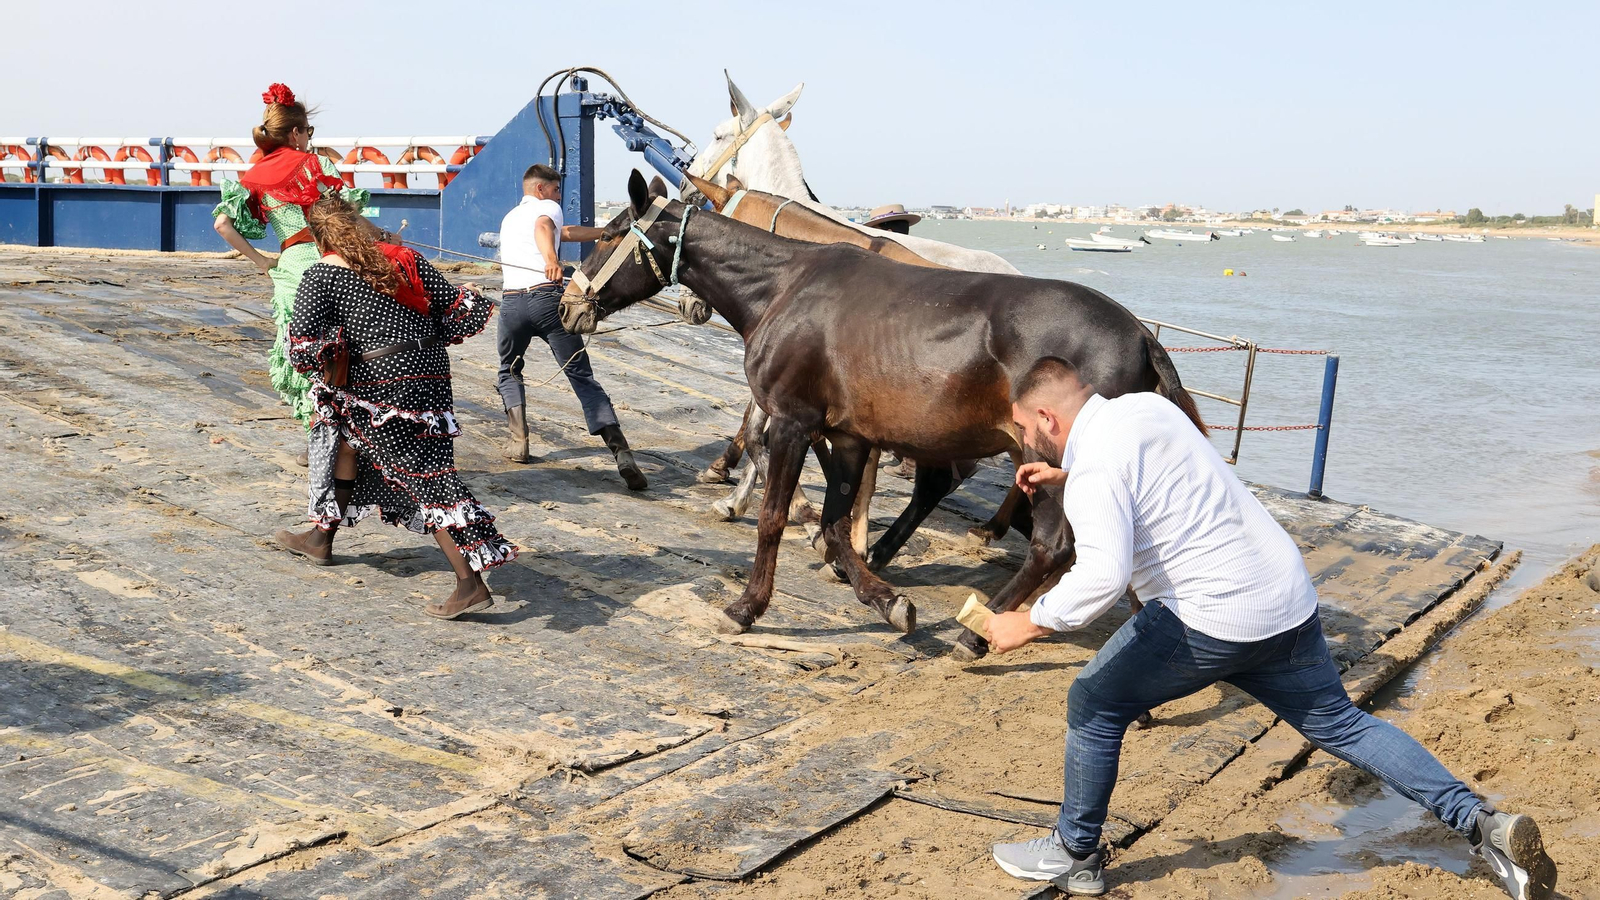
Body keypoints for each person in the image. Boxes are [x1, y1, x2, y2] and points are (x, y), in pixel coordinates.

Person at [986, 357, 1557, 900]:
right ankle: (1482, 822)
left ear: (1048, 418)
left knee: (1093, 704)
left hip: (1207, 617)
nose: (1022, 440)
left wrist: (1030, 622)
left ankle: (1074, 853)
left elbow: (1103, 577)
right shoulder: (1145, 409)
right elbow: (1150, 469)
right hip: (1284, 598)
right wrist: (1069, 474)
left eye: (1022, 427)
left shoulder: (1098, 472)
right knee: (1342, 724)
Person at [276, 195, 518, 620]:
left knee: (425, 479)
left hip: (380, 382)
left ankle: (469, 582)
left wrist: (335, 355)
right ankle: (320, 539)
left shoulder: (321, 275)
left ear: (318, 238)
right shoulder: (403, 258)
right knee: (349, 442)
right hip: (429, 374)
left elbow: (303, 350)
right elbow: (458, 311)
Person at [212, 84, 370, 461]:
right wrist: (379, 237)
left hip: (291, 271)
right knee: (352, 348)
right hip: (331, 262)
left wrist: (262, 261)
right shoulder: (315, 165)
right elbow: (349, 216)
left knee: (302, 353)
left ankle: (315, 438)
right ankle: (356, 434)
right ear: (297, 133)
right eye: (308, 132)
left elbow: (222, 225)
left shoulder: (252, 177)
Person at [495, 163, 647, 490]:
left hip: (511, 305)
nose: (559, 196)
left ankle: (519, 441)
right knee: (581, 376)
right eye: (556, 189)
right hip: (546, 299)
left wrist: (606, 235)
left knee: (509, 369)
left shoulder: (509, 218)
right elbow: (544, 227)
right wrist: (551, 259)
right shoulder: (546, 208)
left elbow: (563, 231)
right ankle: (621, 453)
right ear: (541, 189)